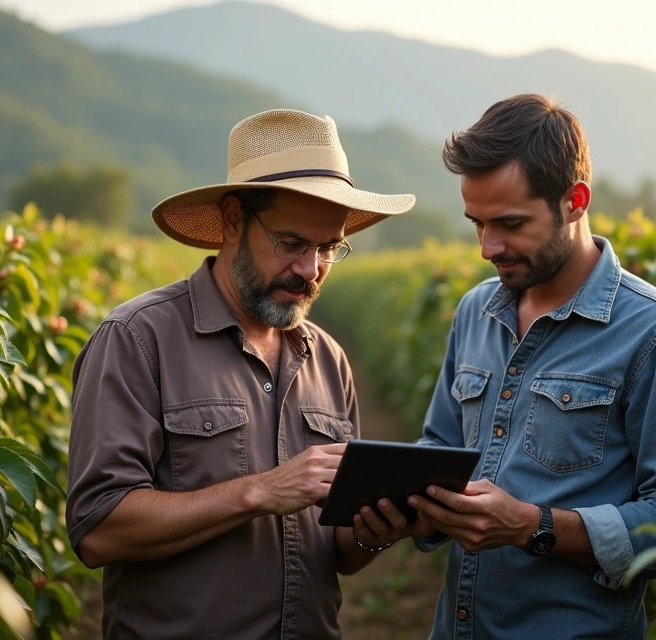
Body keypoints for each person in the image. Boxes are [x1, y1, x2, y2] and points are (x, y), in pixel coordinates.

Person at [352, 94, 656, 639]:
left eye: (510, 223)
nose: (488, 247)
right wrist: (411, 509)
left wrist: (533, 527)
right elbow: (442, 447)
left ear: (574, 201)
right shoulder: (475, 311)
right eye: (477, 223)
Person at [64, 109, 416, 639]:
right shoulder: (138, 338)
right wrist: (260, 492)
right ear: (233, 221)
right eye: (291, 243)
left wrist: (379, 528)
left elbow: (338, 553)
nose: (310, 270)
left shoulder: (329, 360)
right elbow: (98, 528)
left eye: (328, 249)